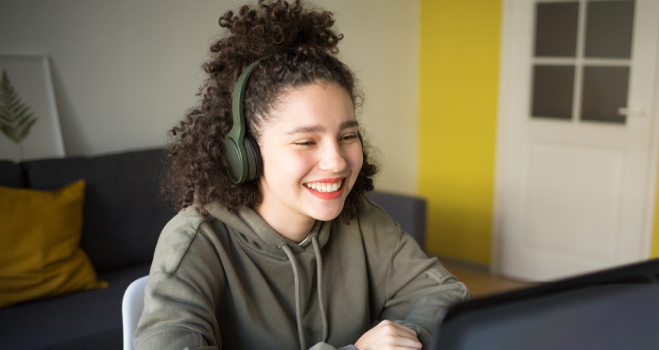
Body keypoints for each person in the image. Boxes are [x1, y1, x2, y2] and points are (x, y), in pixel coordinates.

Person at [133, 1, 472, 349]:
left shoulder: (361, 222)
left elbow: (448, 296)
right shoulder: (197, 243)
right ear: (245, 153)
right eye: (306, 141)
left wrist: (405, 333)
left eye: (347, 136)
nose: (336, 161)